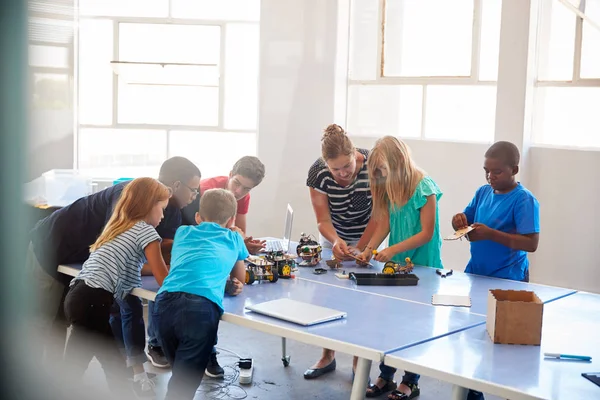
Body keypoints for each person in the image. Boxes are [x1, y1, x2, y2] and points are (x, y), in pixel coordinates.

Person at [26, 156, 201, 370]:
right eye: (194, 189)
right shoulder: (129, 195)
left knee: (73, 338)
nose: (195, 196)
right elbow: (141, 256)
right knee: (45, 324)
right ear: (176, 185)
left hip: (81, 272)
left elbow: (164, 249)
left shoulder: (168, 211)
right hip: (51, 246)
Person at [62, 178, 170, 397]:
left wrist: (163, 266)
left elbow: (133, 266)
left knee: (83, 363)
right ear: (149, 204)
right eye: (162, 208)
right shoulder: (147, 232)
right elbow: (163, 279)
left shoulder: (117, 226)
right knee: (107, 365)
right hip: (93, 301)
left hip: (77, 295)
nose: (163, 216)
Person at [451, 141, 540, 400]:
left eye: (497, 172)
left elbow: (531, 243)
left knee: (502, 344)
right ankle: (473, 391)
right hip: (477, 274)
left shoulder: (524, 200)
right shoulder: (482, 192)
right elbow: (465, 226)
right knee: (474, 336)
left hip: (509, 279)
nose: (490, 176)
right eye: (486, 171)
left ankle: (511, 391)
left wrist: (490, 234)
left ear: (514, 169)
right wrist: (458, 221)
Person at [357, 136, 443, 400]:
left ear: (398, 163)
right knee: (390, 322)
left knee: (415, 325)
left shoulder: (424, 187)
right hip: (397, 267)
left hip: (423, 266)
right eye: (377, 172)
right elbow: (384, 224)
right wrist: (369, 249)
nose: (380, 175)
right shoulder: (387, 188)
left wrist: (392, 250)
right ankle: (386, 375)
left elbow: (426, 233)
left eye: (383, 170)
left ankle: (410, 381)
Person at [152, 188, 248, 400]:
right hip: (200, 310)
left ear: (198, 216)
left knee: (179, 375)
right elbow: (240, 278)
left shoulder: (183, 232)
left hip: (164, 303)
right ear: (232, 220)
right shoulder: (233, 238)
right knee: (183, 386)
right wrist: (237, 238)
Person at [304, 124, 377, 380]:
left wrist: (363, 246)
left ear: (355, 154)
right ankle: (327, 355)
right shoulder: (318, 173)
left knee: (362, 300)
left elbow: (380, 215)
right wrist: (336, 242)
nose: (342, 173)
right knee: (328, 297)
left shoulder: (373, 164)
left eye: (347, 166)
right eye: (335, 169)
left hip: (367, 234)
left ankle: (358, 362)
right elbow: (322, 220)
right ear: (326, 164)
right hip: (334, 235)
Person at [180, 155, 265, 377]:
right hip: (188, 248)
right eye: (237, 183)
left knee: (209, 304)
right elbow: (196, 232)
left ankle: (209, 350)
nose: (238, 192)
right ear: (229, 174)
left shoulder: (241, 197)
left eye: (246, 189)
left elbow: (238, 231)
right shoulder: (204, 191)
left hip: (209, 258)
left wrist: (244, 243)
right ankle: (156, 343)